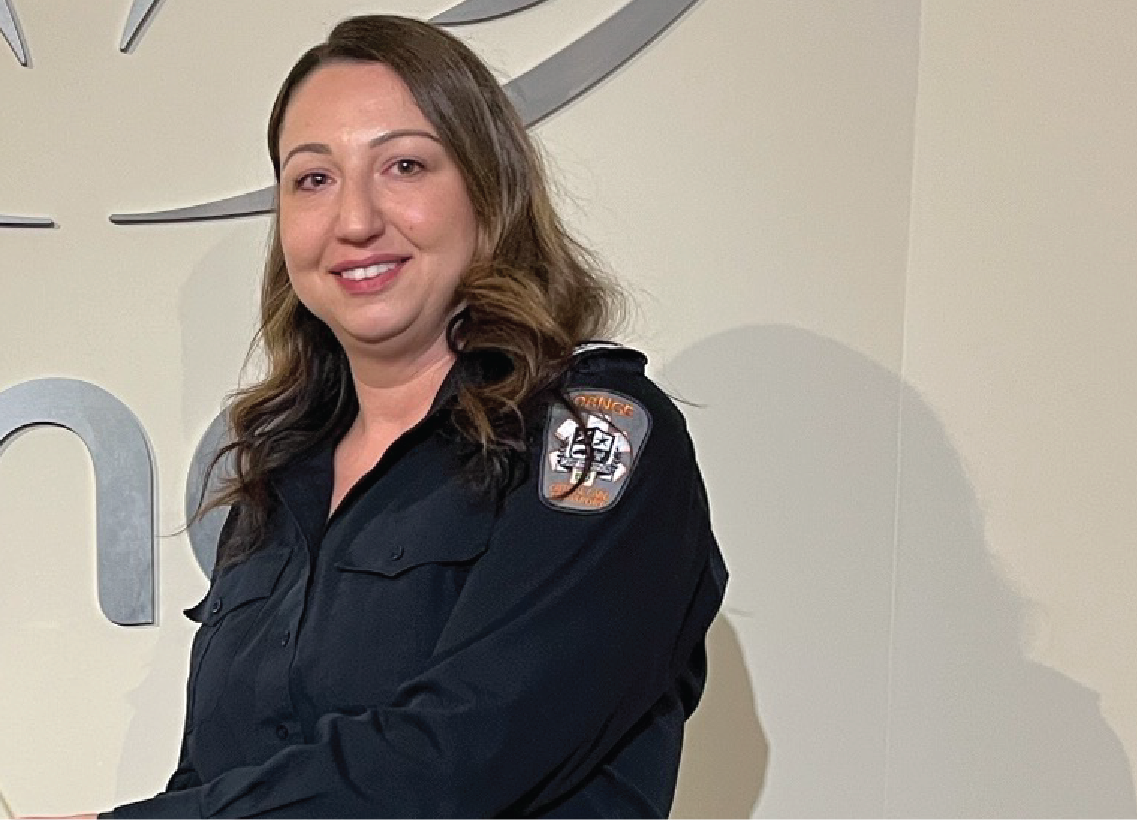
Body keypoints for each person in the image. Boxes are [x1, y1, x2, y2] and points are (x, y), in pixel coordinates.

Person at [107, 15, 727, 818]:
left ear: (486, 190)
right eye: (312, 179)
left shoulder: (588, 433)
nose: (354, 220)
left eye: (403, 165)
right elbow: (215, 784)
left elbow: (464, 755)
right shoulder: (277, 480)